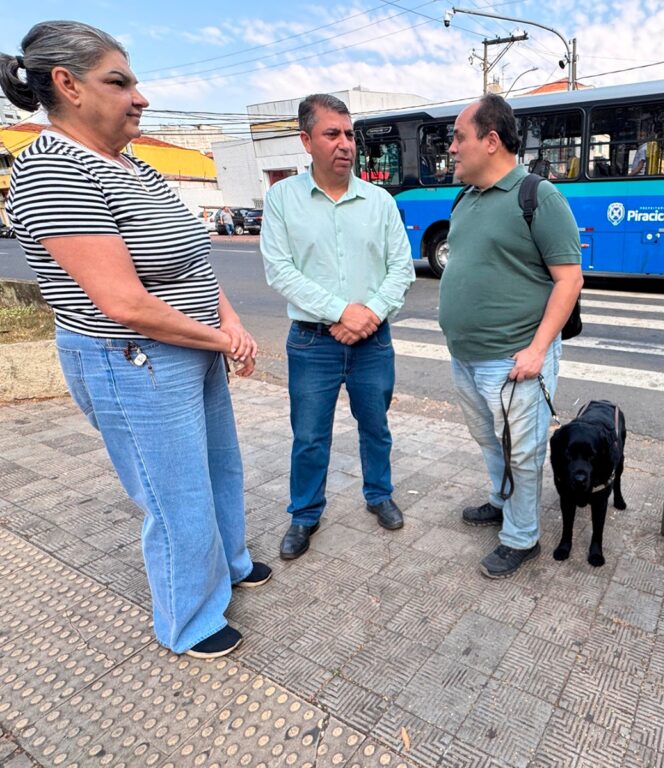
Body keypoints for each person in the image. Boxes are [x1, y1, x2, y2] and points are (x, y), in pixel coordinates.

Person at [1, 21, 270, 659]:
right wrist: (219, 337)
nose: (140, 97)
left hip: (192, 344)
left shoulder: (135, 162)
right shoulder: (50, 166)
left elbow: (194, 262)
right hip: (134, 360)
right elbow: (123, 303)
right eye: (119, 82)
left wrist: (228, 324)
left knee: (218, 467)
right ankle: (190, 619)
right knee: (172, 492)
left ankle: (229, 561)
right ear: (66, 86)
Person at [261, 94, 414, 560]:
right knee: (309, 434)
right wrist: (339, 311)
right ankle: (305, 514)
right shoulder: (282, 199)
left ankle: (379, 494)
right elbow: (279, 270)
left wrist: (367, 314)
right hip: (312, 342)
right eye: (332, 134)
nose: (345, 144)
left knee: (376, 426)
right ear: (306, 140)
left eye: (349, 134)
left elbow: (401, 268)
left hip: (373, 340)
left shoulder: (379, 201)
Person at [440, 94, 583, 579]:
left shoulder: (537, 197)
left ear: (491, 140)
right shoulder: (465, 199)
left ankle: (521, 538)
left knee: (522, 452)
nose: (452, 148)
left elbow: (569, 279)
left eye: (460, 138)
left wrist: (538, 349)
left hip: (514, 358)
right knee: (488, 440)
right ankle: (501, 503)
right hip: (467, 356)